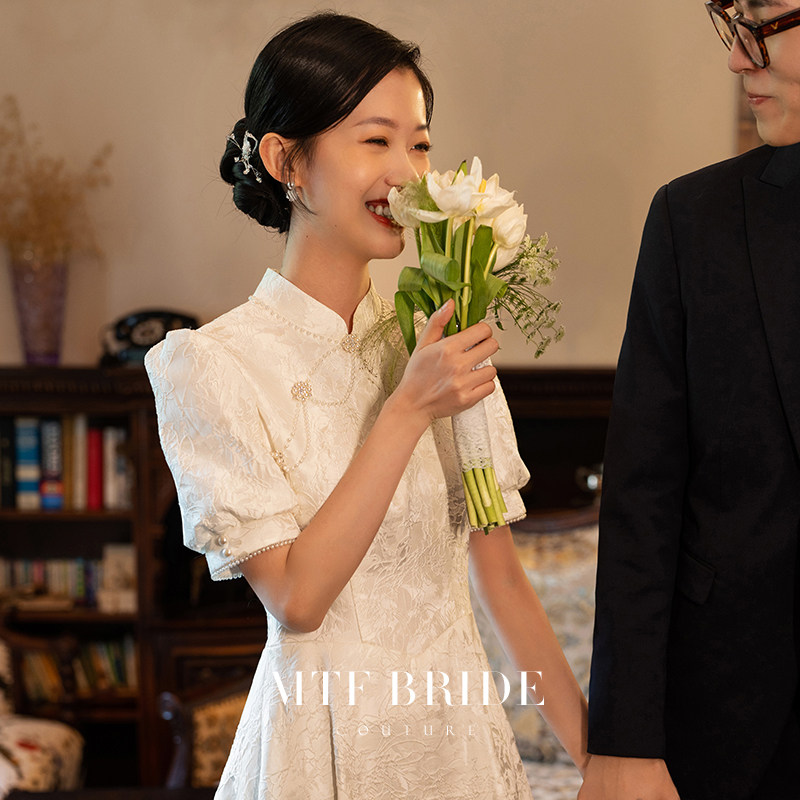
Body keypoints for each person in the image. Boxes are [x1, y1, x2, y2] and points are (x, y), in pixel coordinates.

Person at [145, 13, 588, 799]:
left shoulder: (441, 340)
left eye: (419, 144)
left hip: (459, 753)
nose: (407, 173)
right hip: (320, 753)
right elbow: (297, 599)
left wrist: (602, 763)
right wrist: (407, 411)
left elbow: (502, 584)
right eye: (375, 140)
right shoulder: (209, 366)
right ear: (286, 160)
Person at [580, 2, 800, 798]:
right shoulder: (694, 220)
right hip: (729, 723)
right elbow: (642, 499)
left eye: (762, 26)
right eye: (730, 25)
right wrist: (624, 739)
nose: (738, 59)